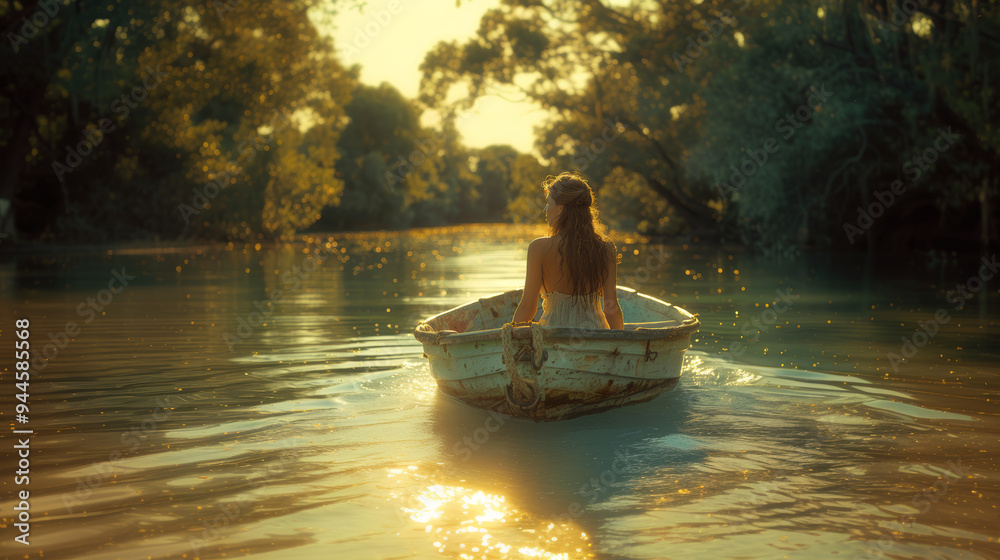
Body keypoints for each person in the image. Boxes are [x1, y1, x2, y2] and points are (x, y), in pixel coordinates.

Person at [511, 172, 624, 329]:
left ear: (561, 208)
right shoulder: (606, 247)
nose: (545, 210)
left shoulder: (538, 248)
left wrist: (511, 340)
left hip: (553, 338)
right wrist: (621, 344)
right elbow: (611, 308)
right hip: (597, 336)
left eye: (549, 203)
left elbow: (528, 308)